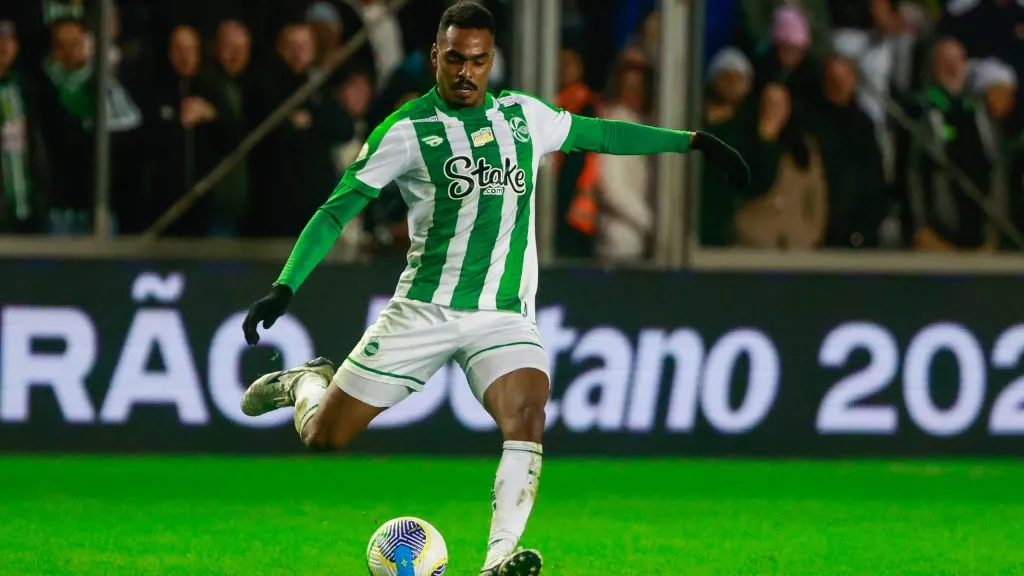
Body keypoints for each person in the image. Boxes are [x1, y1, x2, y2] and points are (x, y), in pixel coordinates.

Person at [238, 3, 749, 575]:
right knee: (325, 437)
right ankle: (307, 381)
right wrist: (286, 287)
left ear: (491, 61)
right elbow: (337, 212)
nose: (465, 72)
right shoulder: (407, 131)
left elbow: (600, 132)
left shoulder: (524, 118)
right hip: (424, 310)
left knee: (528, 414)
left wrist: (693, 141)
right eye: (454, 58)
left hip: (501, 315)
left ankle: (498, 559)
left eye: (478, 61)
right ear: (435, 55)